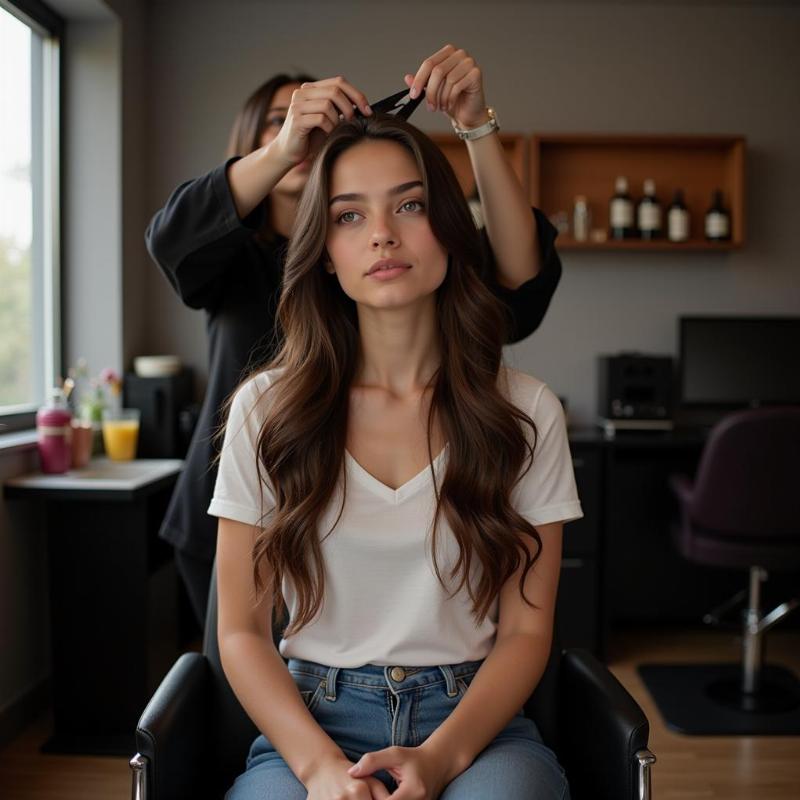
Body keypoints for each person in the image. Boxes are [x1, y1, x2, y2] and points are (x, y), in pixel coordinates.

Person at [207, 93, 583, 799]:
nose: (382, 234)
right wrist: (319, 771)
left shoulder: (525, 411)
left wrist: (441, 759)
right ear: (324, 253)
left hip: (475, 722)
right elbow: (242, 634)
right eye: (350, 215)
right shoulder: (268, 408)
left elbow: (527, 633)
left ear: (449, 229)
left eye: (408, 206)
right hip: (312, 723)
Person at [146, 44, 565, 630]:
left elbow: (519, 279)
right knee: (239, 680)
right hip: (243, 507)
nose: (305, 125)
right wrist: (285, 145)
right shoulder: (230, 255)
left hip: (366, 527)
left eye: (318, 117)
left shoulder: (393, 258)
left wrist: (476, 126)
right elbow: (167, 242)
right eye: (282, 117)